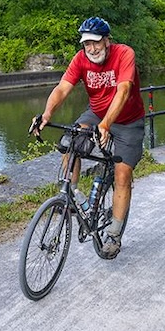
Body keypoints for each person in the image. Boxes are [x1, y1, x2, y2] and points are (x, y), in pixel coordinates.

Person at [31, 17, 145, 258]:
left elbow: (124, 90)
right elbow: (63, 88)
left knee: (122, 174)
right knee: (70, 142)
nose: (91, 49)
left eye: (96, 42)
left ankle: (114, 235)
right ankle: (72, 197)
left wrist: (107, 124)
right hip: (96, 114)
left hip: (128, 121)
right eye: (86, 44)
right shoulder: (81, 59)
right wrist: (47, 114)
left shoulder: (124, 54)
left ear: (107, 40)